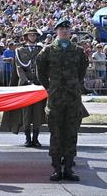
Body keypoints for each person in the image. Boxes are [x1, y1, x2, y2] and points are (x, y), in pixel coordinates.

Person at [36, 19, 89, 182]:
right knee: (56, 133)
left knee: (71, 133)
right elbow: (41, 72)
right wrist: (51, 87)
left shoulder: (78, 51)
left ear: (70, 31)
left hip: (72, 98)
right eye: (61, 28)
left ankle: (69, 168)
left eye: (67, 28)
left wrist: (74, 84)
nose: (65, 31)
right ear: (56, 31)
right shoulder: (48, 50)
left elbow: (82, 71)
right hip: (56, 98)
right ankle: (57, 169)